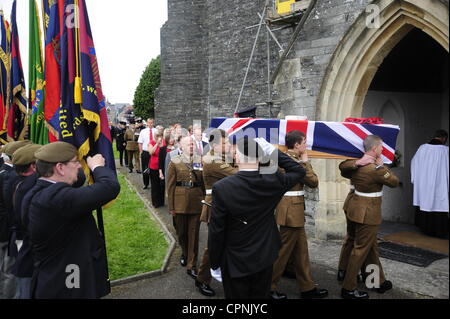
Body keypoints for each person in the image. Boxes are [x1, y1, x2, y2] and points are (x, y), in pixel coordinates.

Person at [208, 136, 306, 299]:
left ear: (237, 157)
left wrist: (215, 262)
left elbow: (217, 230)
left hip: (235, 257)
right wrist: (271, 151)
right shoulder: (273, 179)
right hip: (264, 253)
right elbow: (299, 171)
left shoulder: (222, 187)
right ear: (260, 158)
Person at [24, 142, 120, 298]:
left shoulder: (38, 191)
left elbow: (78, 178)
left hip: (57, 274)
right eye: (75, 162)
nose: (79, 167)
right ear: (60, 168)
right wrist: (97, 167)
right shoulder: (57, 198)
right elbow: (110, 187)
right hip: (69, 281)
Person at [339, 135, 399, 299]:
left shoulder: (354, 165)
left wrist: (357, 162)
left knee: (371, 248)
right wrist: (382, 167)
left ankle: (374, 281)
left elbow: (343, 167)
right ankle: (348, 288)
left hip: (355, 208)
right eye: (380, 147)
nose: (382, 150)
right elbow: (394, 182)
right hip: (369, 213)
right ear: (373, 149)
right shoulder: (374, 170)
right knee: (361, 250)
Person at [270, 130, 328, 299]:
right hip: (290, 210)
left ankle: (307, 288)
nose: (306, 145)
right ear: (297, 145)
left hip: (294, 209)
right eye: (304, 142)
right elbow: (313, 182)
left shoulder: (287, 159)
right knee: (282, 252)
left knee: (301, 251)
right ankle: (268, 286)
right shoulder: (285, 161)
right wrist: (305, 163)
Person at [196, 129, 237, 297]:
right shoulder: (212, 160)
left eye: (228, 142)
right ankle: (202, 279)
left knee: (224, 243)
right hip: (215, 207)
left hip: (225, 206)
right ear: (214, 145)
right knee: (213, 246)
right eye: (225, 143)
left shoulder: (222, 157)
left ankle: (227, 275)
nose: (228, 145)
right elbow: (238, 174)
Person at [6, 144, 42, 299]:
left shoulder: (17, 182)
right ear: (34, 166)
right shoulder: (27, 187)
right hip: (27, 248)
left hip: (21, 244)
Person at [167, 136, 205, 280]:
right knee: (182, 233)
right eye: (188, 144)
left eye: (193, 144)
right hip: (180, 203)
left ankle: (192, 264)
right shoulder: (174, 161)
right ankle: (184, 252)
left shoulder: (199, 161)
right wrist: (171, 206)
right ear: (181, 146)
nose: (191, 146)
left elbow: (203, 182)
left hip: (196, 202)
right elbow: (170, 186)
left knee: (194, 235)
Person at [0, 140, 31, 299]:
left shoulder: (6, 173)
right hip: (8, 233)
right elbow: (12, 210)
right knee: (11, 273)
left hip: (8, 232)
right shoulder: (10, 178)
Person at [411, 129, 449, 239]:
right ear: (444, 138)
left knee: (425, 203)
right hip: (440, 185)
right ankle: (439, 231)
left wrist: (416, 180)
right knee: (439, 204)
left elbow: (414, 164)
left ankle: (426, 229)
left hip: (424, 185)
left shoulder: (422, 148)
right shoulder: (446, 151)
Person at [138, 118, 157, 189]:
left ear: (153, 123)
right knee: (145, 168)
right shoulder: (143, 131)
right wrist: (141, 152)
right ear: (147, 123)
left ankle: (153, 183)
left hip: (154, 152)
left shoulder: (156, 131)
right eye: (149, 123)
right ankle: (146, 183)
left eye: (152, 123)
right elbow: (140, 142)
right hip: (145, 152)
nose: (150, 124)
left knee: (154, 168)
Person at [148, 132, 165, 208]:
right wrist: (157, 144)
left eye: (160, 136)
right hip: (154, 166)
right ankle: (155, 202)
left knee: (162, 185)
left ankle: (161, 201)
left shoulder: (164, 142)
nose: (159, 137)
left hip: (162, 166)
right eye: (157, 136)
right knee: (155, 185)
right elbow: (151, 152)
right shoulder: (151, 142)